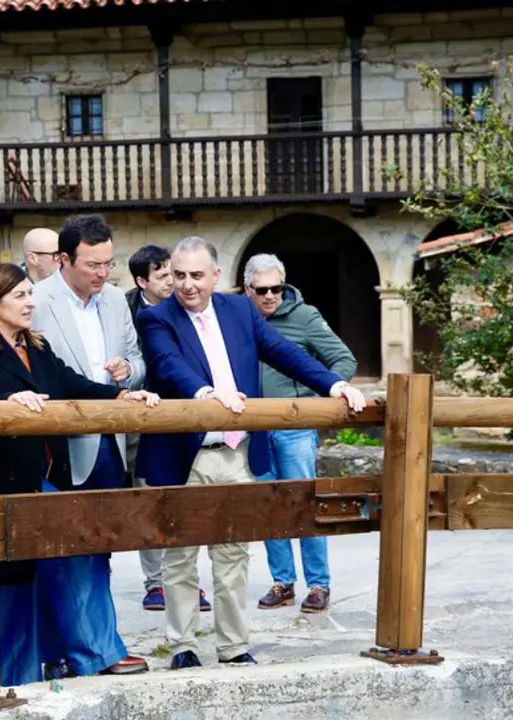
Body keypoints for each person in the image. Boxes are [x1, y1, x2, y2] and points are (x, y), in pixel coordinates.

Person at [135, 237, 366, 670]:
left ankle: (233, 646)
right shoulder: (156, 318)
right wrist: (208, 396)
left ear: (216, 276)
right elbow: (167, 364)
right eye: (179, 275)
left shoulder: (240, 310)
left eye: (197, 276)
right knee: (180, 556)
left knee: (233, 555)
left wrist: (333, 384)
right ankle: (183, 645)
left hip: (237, 453)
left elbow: (285, 353)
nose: (187, 285)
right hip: (184, 454)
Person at [0, 262, 159, 687]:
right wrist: (10, 398)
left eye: (30, 294)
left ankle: (82, 656)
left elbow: (70, 382)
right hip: (3, 483)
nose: (31, 303)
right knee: (13, 583)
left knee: (72, 558)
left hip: (47, 477)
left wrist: (121, 394)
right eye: (21, 296)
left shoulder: (37, 345)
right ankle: (12, 677)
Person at [30, 215, 150, 678]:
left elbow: (138, 359)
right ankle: (95, 650)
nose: (103, 273)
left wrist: (128, 372)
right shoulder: (35, 301)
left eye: (109, 263)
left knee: (99, 550)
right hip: (60, 446)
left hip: (112, 445)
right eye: (93, 264)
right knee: (64, 551)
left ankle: (77, 648)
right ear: (63, 260)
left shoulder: (117, 300)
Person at [244, 253, 357, 614]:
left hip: (296, 429)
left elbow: (344, 359)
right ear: (248, 289)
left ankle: (318, 584)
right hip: (254, 429)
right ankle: (283, 582)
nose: (270, 296)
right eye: (262, 290)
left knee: (306, 505)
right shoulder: (237, 320)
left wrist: (319, 398)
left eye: (277, 288)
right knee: (269, 506)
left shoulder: (304, 317)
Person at [124, 244, 209, 612]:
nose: (173, 282)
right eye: (164, 275)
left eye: (172, 273)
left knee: (183, 501)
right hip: (137, 416)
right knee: (148, 497)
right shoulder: (127, 311)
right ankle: (156, 581)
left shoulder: (187, 310)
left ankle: (187, 579)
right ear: (143, 280)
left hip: (182, 413)